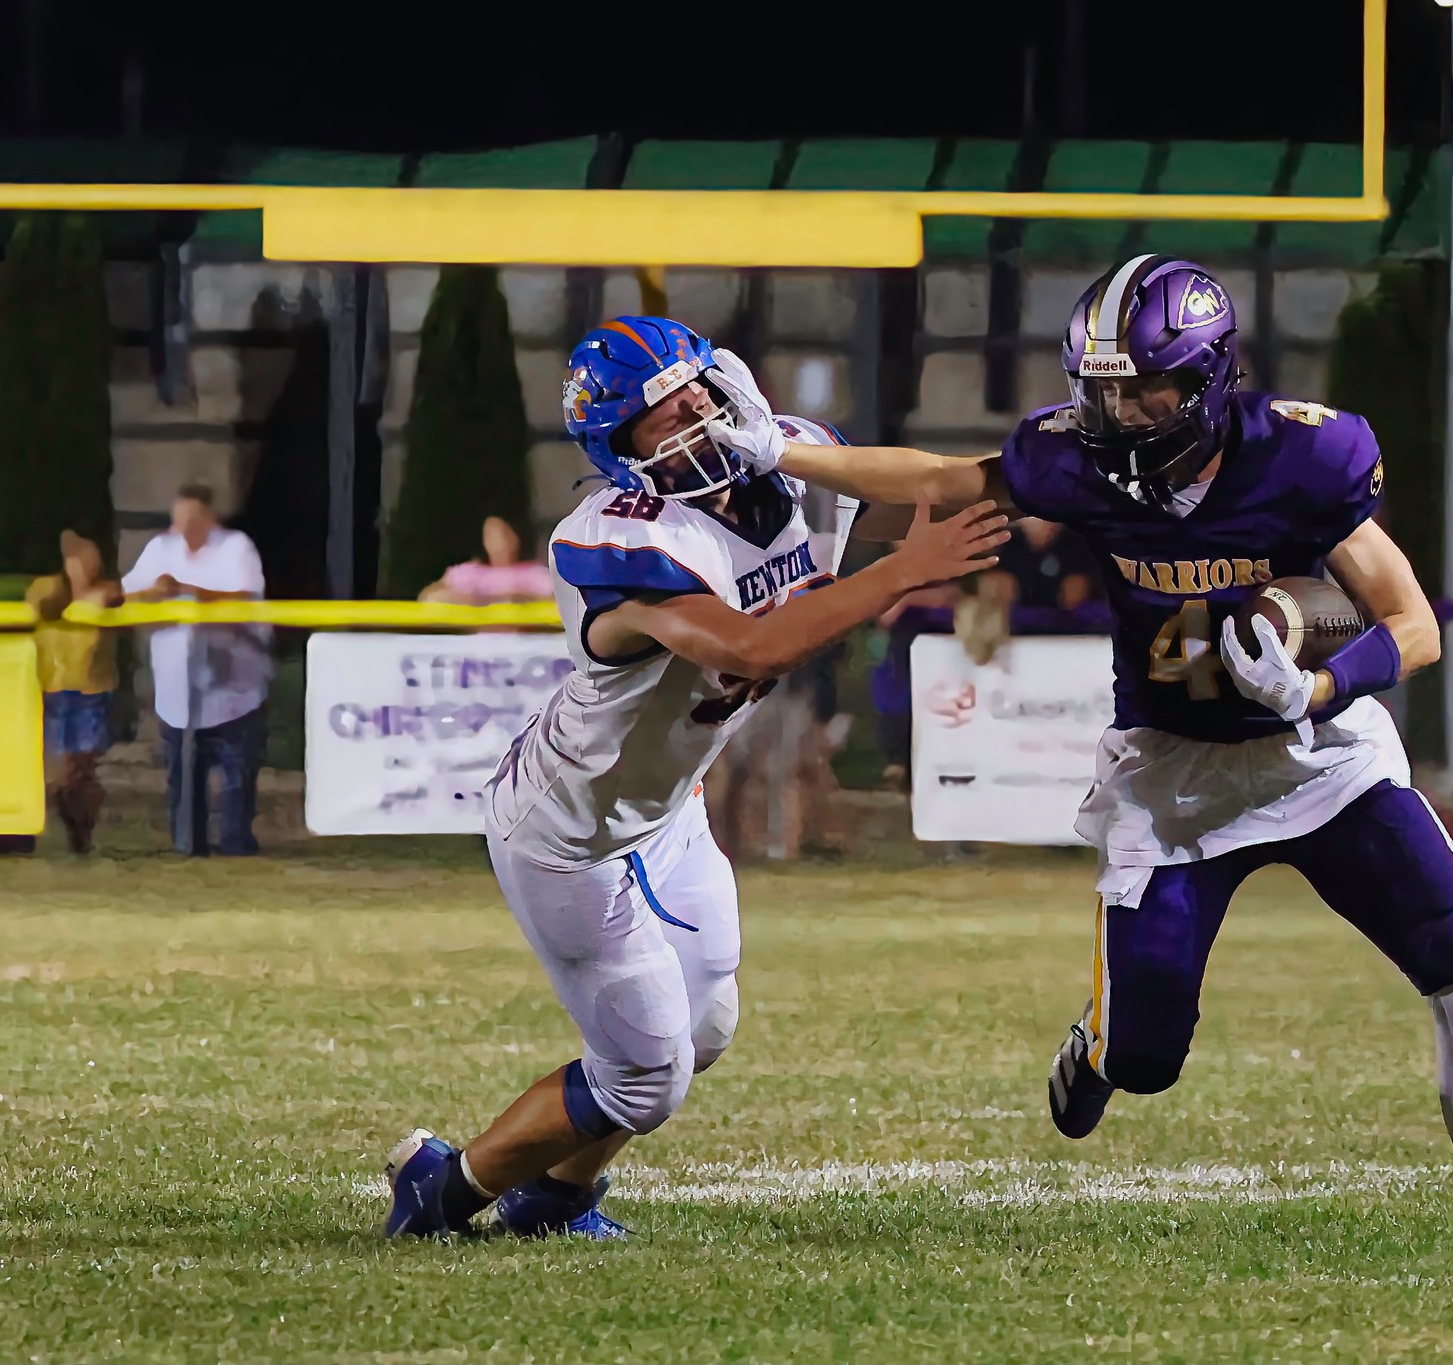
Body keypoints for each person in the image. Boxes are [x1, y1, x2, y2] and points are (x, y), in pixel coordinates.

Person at [719, 255, 1453, 1244]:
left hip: (1318, 756)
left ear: (1206, 381)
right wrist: (783, 450)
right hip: (1173, 775)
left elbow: (1410, 621)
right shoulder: (1071, 457)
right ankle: (1100, 1045)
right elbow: (945, 479)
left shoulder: (1303, 456)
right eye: (1101, 388)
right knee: (1148, 1057)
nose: (1118, 410)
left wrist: (1320, 683)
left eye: (1143, 387)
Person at [382, 317, 1005, 1239]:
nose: (690, 413)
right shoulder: (621, 543)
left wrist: (1084, 469)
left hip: (666, 812)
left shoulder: (781, 461)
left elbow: (933, 487)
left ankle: (552, 1198)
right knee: (645, 1073)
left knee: (701, 1032)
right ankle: (442, 1189)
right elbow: (758, 643)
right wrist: (906, 571)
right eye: (655, 410)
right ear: (615, 445)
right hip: (569, 834)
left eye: (693, 388)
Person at [120, 486, 272, 857]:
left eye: (192, 519)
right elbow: (127, 595)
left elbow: (246, 597)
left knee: (237, 777)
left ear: (210, 518)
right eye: (178, 519)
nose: (183, 528)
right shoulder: (160, 549)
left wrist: (188, 590)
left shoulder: (236, 547)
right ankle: (188, 844)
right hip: (176, 691)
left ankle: (237, 844)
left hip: (235, 689)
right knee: (183, 776)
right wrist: (155, 592)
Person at [25, 530, 123, 853]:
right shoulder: (45, 588)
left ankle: (83, 834)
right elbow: (42, 609)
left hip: (89, 690)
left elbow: (112, 600)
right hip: (55, 688)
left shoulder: (106, 590)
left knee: (82, 767)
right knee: (61, 771)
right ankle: (72, 829)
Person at [418, 516, 553, 604]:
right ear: (485, 543)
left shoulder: (534, 573)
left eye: (504, 535)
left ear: (514, 539)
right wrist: (480, 600)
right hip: (478, 644)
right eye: (493, 537)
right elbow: (427, 598)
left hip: (527, 642)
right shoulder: (469, 573)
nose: (500, 543)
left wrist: (519, 598)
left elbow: (560, 601)